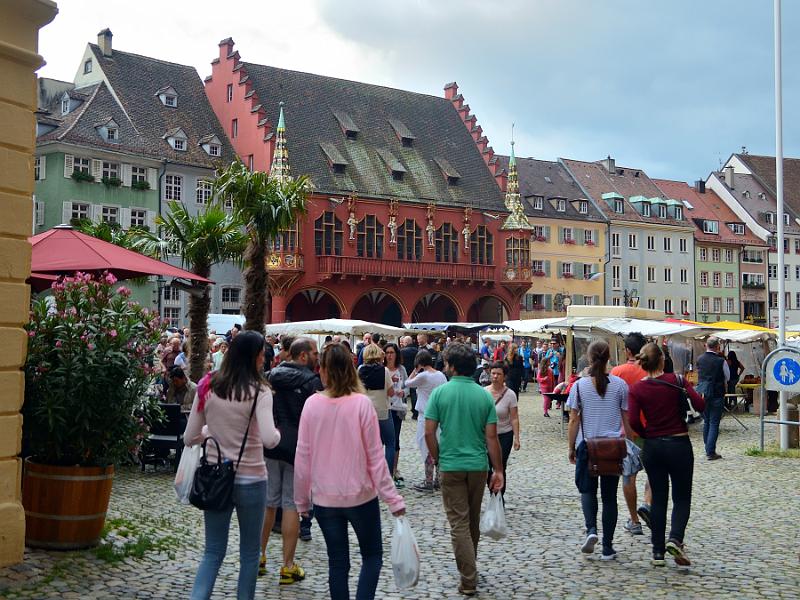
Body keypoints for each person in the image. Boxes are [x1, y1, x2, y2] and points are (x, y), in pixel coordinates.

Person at [294, 343, 405, 600]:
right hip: (360, 496)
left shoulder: (312, 404)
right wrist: (393, 498)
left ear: (322, 371)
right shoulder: (361, 404)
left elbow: (303, 457)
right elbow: (376, 458)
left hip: (325, 498)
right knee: (372, 556)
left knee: (338, 563)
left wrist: (301, 501)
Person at [184, 331, 281, 600]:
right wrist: (280, 434)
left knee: (212, 551)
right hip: (251, 479)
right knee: (250, 553)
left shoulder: (207, 385)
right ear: (253, 356)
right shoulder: (260, 391)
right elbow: (269, 439)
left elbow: (189, 437)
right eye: (262, 353)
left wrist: (207, 432)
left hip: (216, 478)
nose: (264, 358)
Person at [424, 343, 504, 597]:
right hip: (478, 466)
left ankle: (468, 578)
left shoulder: (440, 393)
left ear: (452, 366)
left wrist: (438, 459)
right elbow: (492, 438)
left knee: (458, 523)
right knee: (471, 522)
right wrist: (498, 470)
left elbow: (429, 432)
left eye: (446, 363)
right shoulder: (483, 396)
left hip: (451, 464)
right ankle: (470, 566)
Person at [629, 343, 705, 567]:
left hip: (653, 447)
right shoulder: (678, 381)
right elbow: (700, 404)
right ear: (662, 361)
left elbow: (633, 421)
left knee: (659, 498)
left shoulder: (637, 390)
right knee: (681, 497)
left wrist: (647, 434)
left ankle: (657, 552)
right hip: (679, 443)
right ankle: (676, 538)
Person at [260, 338, 322, 583]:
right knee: (291, 505)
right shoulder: (311, 381)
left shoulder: (270, 376)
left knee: (268, 502)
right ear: (304, 356)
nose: (318, 357)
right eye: (315, 353)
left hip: (272, 442)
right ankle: (287, 565)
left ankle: (259, 556)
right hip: (298, 447)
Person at [567, 340, 630, 561]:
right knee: (610, 497)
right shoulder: (621, 385)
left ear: (590, 358)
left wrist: (571, 447)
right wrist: (628, 445)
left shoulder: (579, 386)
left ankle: (591, 529)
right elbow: (626, 419)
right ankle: (608, 547)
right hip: (612, 447)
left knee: (587, 490)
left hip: (588, 444)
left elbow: (574, 419)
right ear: (608, 357)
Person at [610, 332, 651, 536]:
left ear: (627, 351)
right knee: (653, 472)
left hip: (626, 432)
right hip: (650, 429)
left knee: (629, 476)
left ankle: (634, 520)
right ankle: (648, 505)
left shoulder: (616, 372)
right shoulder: (650, 371)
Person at [404, 350, 447, 492]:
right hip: (440, 415)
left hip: (425, 415)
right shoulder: (441, 375)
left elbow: (407, 383)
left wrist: (415, 371)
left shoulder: (423, 376)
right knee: (438, 446)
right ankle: (438, 480)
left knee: (426, 447)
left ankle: (428, 480)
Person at [357, 344, 396, 473]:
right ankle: (388, 475)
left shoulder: (360, 370)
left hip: (366, 412)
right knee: (390, 443)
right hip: (383, 412)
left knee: (370, 445)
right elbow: (391, 392)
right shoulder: (384, 371)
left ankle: (370, 473)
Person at [485, 362, 520, 498]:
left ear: (504, 376)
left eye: (499, 374)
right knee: (487, 466)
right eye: (493, 373)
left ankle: (499, 496)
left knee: (500, 465)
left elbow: (514, 418)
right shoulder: (484, 392)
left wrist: (516, 438)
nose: (495, 376)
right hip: (486, 436)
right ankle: (492, 491)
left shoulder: (510, 395)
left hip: (504, 434)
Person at [696, 337, 729, 460]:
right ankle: (710, 451)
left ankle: (707, 447)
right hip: (717, 393)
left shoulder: (699, 359)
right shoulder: (721, 361)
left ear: (706, 345)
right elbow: (728, 376)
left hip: (703, 393)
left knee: (707, 422)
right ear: (717, 347)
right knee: (714, 422)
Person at [384, 343, 408, 487]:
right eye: (387, 352)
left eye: (392, 352)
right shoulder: (382, 370)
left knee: (395, 439)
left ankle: (394, 469)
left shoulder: (401, 369)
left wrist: (403, 392)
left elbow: (407, 384)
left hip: (397, 408)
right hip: (385, 408)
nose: (389, 355)